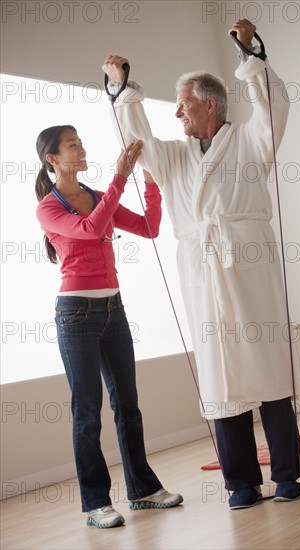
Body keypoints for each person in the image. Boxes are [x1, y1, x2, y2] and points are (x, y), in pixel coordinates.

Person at [102, 18, 300, 510]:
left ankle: (286, 473)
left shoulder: (251, 141)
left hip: (247, 258)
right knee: (219, 372)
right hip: (201, 265)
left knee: (268, 365)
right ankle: (240, 482)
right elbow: (137, 142)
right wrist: (121, 89)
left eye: (185, 104)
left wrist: (251, 54)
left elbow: (275, 106)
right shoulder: (173, 157)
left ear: (210, 103)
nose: (177, 113)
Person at [35, 125, 183, 528]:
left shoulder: (100, 197)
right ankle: (96, 504)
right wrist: (120, 176)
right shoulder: (49, 207)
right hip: (76, 316)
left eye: (81, 142)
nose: (81, 149)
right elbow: (90, 229)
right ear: (52, 159)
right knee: (88, 412)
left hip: (113, 311)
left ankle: (144, 491)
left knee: (128, 407)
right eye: (72, 145)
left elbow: (150, 227)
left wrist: (151, 184)